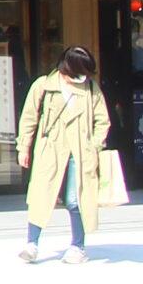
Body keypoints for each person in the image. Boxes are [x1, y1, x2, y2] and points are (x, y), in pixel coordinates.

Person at [19, 45, 111, 264]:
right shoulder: (43, 86)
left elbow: (103, 120)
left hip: (80, 151)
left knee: (76, 198)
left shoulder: (91, 89)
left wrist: (94, 145)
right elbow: (28, 118)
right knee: (41, 195)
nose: (84, 77)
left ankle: (78, 246)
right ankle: (32, 244)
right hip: (49, 149)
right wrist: (24, 147)